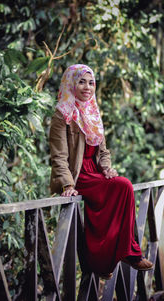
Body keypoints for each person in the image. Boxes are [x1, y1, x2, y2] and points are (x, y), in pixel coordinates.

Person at [49, 64, 153, 280]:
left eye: (91, 82)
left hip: (95, 173)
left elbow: (103, 151)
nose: (87, 87)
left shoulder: (93, 112)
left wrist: (106, 168)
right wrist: (68, 184)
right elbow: (58, 155)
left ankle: (127, 253)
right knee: (120, 189)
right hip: (78, 176)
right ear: (71, 83)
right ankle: (103, 261)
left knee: (123, 185)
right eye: (81, 82)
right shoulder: (62, 114)